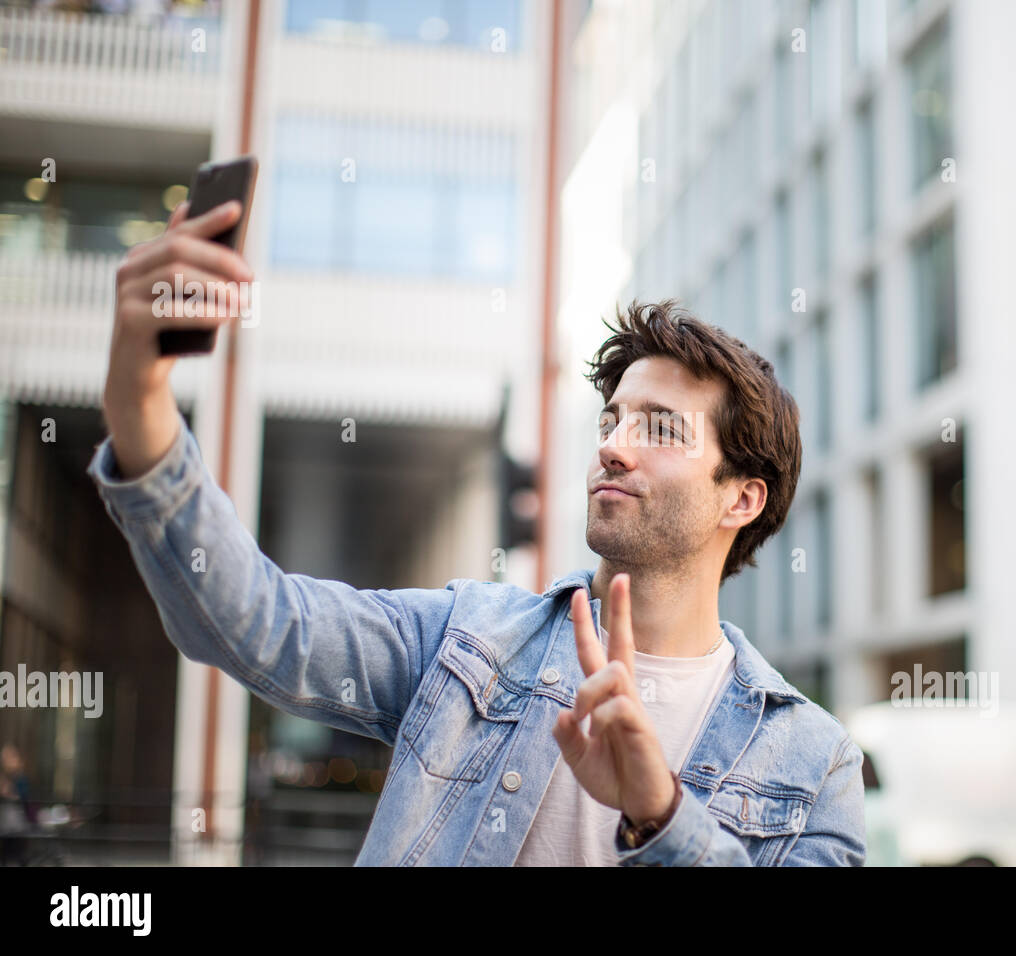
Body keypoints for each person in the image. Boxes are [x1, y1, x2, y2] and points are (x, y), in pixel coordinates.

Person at [87, 198, 868, 866]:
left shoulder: (815, 762)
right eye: (612, 417)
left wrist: (660, 813)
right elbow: (259, 624)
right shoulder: (468, 641)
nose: (613, 443)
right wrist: (140, 397)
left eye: (660, 428)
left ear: (742, 499)